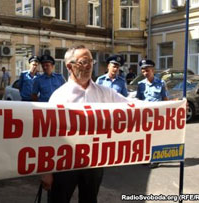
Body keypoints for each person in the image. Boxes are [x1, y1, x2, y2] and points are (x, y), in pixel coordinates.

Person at [41, 45, 131, 203]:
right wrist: (47, 171)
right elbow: (49, 135)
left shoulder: (104, 93)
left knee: (89, 199)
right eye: (83, 62)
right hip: (64, 163)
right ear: (70, 66)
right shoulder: (59, 96)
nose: (89, 65)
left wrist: (170, 107)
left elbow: (133, 107)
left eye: (91, 61)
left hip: (93, 163)